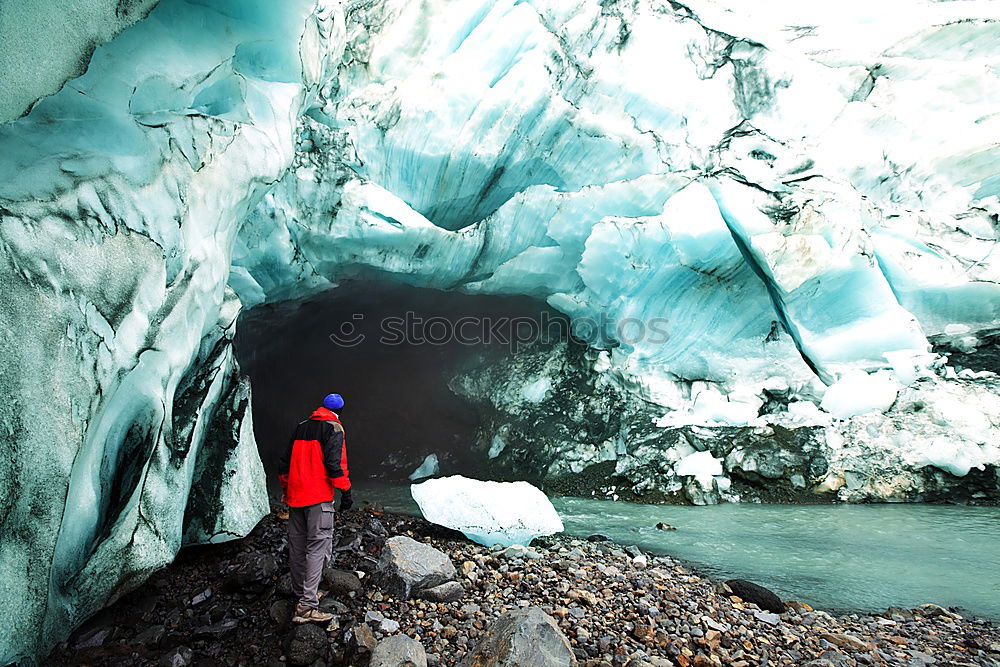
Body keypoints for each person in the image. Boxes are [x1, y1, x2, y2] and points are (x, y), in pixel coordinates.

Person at [278, 393, 354, 623]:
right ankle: (307, 606)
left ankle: (302, 594)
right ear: (340, 411)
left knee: (298, 546)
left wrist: (286, 488)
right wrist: (346, 491)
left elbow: (284, 463)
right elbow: (334, 464)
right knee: (318, 548)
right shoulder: (334, 428)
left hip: (296, 497)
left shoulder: (301, 427)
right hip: (318, 498)